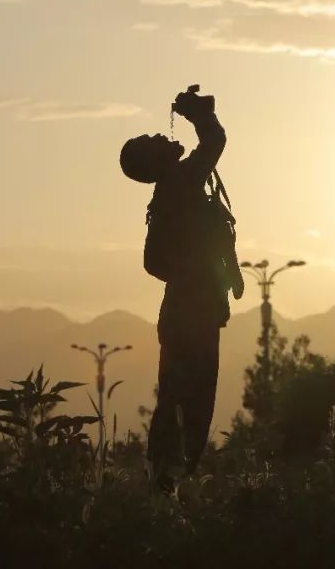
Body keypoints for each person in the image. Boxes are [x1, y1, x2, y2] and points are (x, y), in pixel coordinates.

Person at [119, 86, 232, 491]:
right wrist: (201, 116)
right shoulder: (181, 182)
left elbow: (154, 263)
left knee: (178, 399)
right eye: (152, 141)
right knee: (191, 403)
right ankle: (168, 486)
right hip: (191, 313)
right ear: (155, 162)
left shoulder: (172, 189)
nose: (160, 135)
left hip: (185, 310)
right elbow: (214, 143)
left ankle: (164, 485)